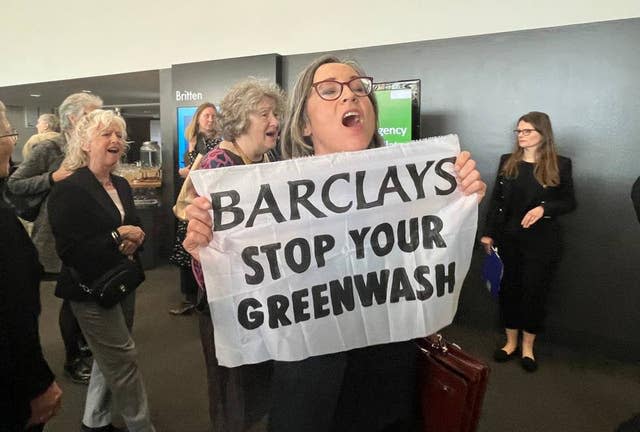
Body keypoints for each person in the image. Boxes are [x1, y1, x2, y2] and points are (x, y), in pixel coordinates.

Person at [183, 55, 486, 431]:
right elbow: (237, 290)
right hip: (308, 389)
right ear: (305, 125)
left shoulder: (416, 185)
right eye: (329, 91)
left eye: (359, 89)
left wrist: (459, 202)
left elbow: (438, 265)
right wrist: (206, 252)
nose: (350, 97)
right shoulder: (271, 199)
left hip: (387, 380)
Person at [181, 78, 285, 432]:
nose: (275, 121)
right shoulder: (217, 164)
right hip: (226, 300)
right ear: (241, 119)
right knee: (234, 389)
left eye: (276, 114)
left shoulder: (265, 158)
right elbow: (185, 210)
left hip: (259, 294)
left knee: (258, 382)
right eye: (265, 114)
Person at [48, 109, 155, 432]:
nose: (115, 140)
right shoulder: (70, 188)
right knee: (124, 360)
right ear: (84, 143)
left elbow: (132, 225)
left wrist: (136, 237)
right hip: (88, 290)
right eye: (106, 134)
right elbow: (69, 252)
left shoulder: (120, 184)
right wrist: (116, 237)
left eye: (119, 135)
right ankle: (142, 427)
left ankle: (94, 420)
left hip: (122, 281)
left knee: (106, 358)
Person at [7, 92, 103, 384]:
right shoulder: (49, 148)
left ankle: (84, 346)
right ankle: (73, 357)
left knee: (84, 293)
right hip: (58, 235)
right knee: (73, 298)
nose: (98, 118)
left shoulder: (91, 147)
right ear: (73, 118)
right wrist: (53, 177)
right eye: (92, 113)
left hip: (88, 232)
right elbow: (15, 183)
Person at [480, 111, 576, 373]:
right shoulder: (507, 162)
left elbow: (569, 202)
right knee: (509, 290)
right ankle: (510, 343)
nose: (521, 136)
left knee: (535, 293)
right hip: (509, 239)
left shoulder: (560, 164)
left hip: (543, 243)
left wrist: (544, 208)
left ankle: (528, 348)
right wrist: (488, 232)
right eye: (519, 131)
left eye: (527, 131)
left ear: (543, 134)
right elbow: (497, 202)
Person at [0, 100, 62, 431]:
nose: (13, 140)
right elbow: (10, 313)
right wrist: (36, 383)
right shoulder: (48, 149)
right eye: (8, 130)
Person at [169, 102, 222, 315]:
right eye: (206, 116)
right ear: (198, 118)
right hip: (191, 200)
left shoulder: (217, 142)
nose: (210, 119)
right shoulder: (193, 141)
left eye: (213, 116)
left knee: (200, 248)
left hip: (204, 202)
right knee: (187, 248)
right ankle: (191, 298)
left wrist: (189, 171)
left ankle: (199, 298)